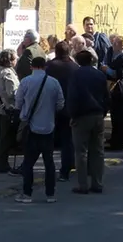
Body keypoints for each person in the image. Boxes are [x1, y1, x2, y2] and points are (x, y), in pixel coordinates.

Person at [15, 57, 65, 203]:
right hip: (49, 126)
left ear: (32, 66)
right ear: (45, 66)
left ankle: (27, 194)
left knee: (29, 162)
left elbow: (18, 103)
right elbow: (60, 103)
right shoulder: (53, 82)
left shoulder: (25, 82)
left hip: (31, 126)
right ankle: (50, 194)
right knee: (49, 162)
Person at [67, 50, 109, 194]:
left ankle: (82, 184)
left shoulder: (76, 75)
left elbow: (72, 96)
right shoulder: (100, 75)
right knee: (98, 150)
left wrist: (72, 115)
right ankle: (97, 183)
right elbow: (106, 95)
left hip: (81, 115)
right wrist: (103, 112)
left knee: (81, 152)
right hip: (97, 114)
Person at [45, 42, 80, 181]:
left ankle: (49, 169)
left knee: (47, 139)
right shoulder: (75, 67)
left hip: (51, 107)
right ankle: (66, 168)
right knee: (68, 140)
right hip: (69, 107)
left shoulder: (50, 66)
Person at [0, 49, 20, 174]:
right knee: (6, 137)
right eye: (15, 59)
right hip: (8, 108)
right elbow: (12, 93)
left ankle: (1, 163)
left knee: (4, 137)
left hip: (0, 107)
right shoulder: (8, 73)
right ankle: (2, 164)